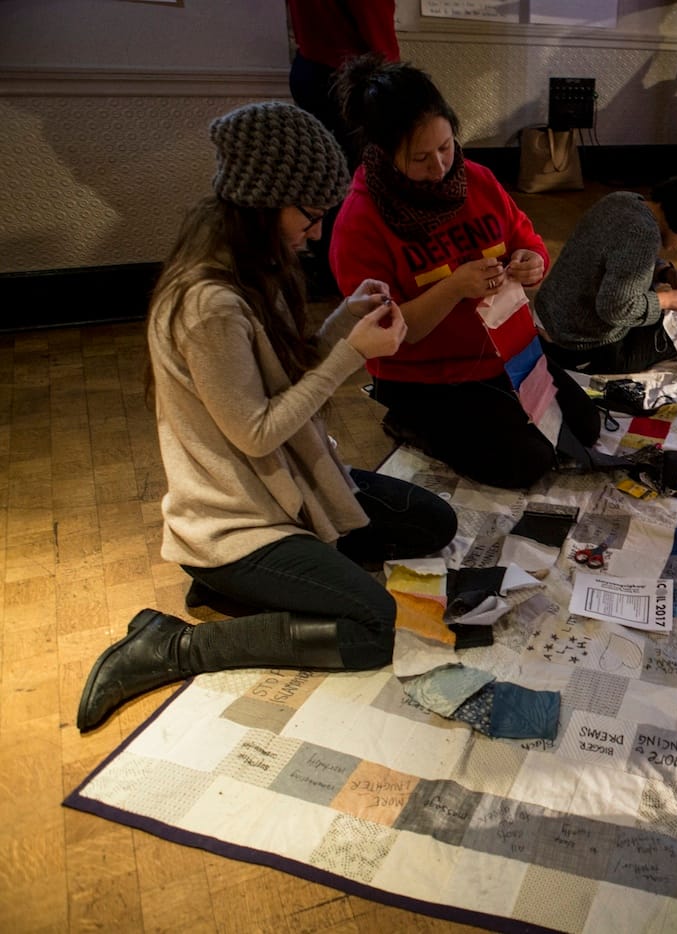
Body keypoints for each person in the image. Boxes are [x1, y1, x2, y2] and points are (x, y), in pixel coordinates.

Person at [75, 102, 458, 734]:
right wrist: (352, 355)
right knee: (373, 628)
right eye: (309, 215)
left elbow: (287, 369)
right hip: (233, 523)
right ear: (263, 203)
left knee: (433, 523)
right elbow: (257, 430)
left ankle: (243, 592)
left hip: (294, 488)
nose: (316, 231)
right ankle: (169, 647)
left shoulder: (258, 268)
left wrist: (342, 325)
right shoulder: (209, 305)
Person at [330, 56, 601, 489]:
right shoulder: (361, 220)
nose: (439, 167)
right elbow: (392, 331)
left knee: (583, 428)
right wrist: (454, 288)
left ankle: (494, 407)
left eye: (445, 146)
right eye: (419, 158)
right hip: (424, 377)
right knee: (527, 462)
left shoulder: (476, 179)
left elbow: (524, 239)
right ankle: (408, 422)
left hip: (500, 352)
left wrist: (532, 261)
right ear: (383, 151)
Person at [534, 175, 677, 373]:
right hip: (578, 346)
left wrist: (666, 272)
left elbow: (618, 259)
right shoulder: (643, 234)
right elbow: (615, 308)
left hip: (549, 318)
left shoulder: (623, 200)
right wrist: (667, 300)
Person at [287, 0, 400, 297]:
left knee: (327, 176)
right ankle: (348, 272)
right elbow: (377, 32)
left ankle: (331, 269)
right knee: (356, 181)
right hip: (345, 78)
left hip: (309, 67)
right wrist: (395, 86)